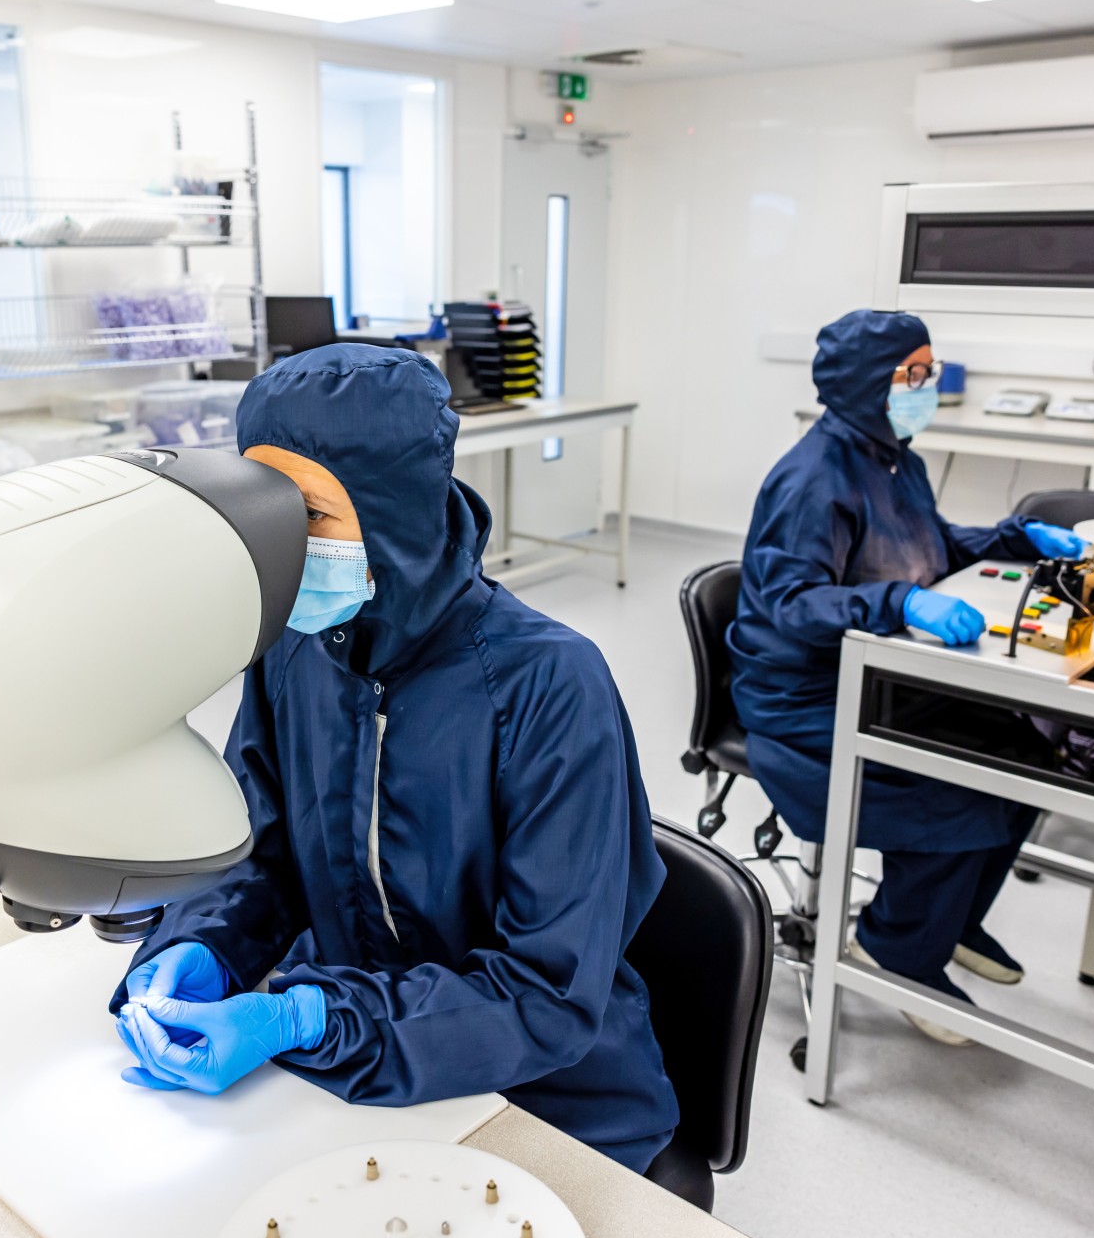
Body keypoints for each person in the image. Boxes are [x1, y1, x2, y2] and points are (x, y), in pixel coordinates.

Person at [110, 343, 679, 1174]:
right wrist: (200, 944)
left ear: (395, 510)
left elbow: (546, 996)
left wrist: (311, 1018)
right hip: (360, 1068)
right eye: (261, 506)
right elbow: (260, 853)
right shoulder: (295, 650)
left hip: (544, 1098)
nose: (279, 542)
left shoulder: (550, 684)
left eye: (308, 513)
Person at [726, 308, 1084, 1046]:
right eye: (911, 375)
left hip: (881, 680)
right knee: (962, 789)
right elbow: (790, 607)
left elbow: (936, 544)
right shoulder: (810, 480)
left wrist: (1013, 538)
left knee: (1027, 758)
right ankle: (896, 948)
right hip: (804, 702)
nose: (926, 386)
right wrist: (901, 600)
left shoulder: (898, 458)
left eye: (930, 372)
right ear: (865, 382)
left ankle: (949, 924)